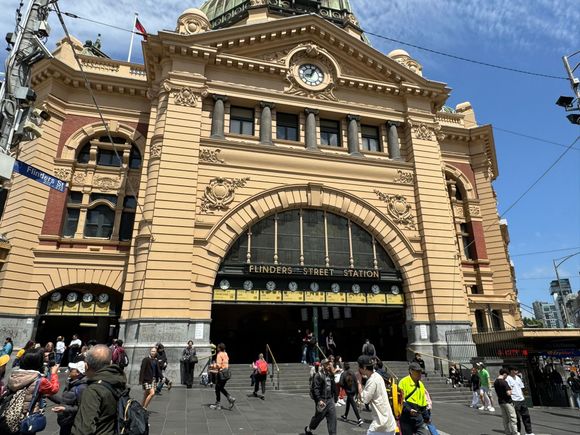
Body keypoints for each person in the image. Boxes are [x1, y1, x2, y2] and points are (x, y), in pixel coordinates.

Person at [71, 344, 127, 434]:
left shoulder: (93, 391)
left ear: (86, 366)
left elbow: (83, 429)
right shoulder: (119, 381)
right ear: (111, 363)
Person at [6, 348, 60, 432]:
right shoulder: (40, 380)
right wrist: (54, 374)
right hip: (27, 418)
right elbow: (54, 389)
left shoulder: (14, 374)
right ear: (38, 363)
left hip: (11, 414)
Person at [358, 355, 397, 435]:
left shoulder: (372, 380)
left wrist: (359, 382)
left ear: (364, 368)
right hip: (388, 422)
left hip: (381, 424)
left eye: (359, 367)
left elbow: (364, 399)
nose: (358, 369)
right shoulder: (377, 376)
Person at [50, 362, 88, 435]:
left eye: (72, 369)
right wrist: (49, 395)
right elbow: (65, 401)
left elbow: (81, 408)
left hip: (72, 424)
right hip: (65, 422)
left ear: (78, 373)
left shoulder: (82, 388)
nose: (69, 370)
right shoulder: (71, 383)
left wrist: (65, 409)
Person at [305, 358, 338, 435]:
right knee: (318, 418)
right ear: (322, 365)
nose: (328, 365)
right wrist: (319, 400)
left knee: (333, 420)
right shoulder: (318, 375)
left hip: (330, 400)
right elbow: (315, 389)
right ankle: (308, 428)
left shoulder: (330, 374)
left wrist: (335, 397)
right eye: (326, 364)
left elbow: (333, 386)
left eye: (329, 363)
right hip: (322, 400)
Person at [398, 362, 430, 435]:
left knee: (423, 433)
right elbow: (400, 400)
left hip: (418, 416)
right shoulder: (403, 382)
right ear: (411, 371)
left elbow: (423, 403)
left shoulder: (421, 385)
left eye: (420, 372)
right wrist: (409, 410)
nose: (420, 374)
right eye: (417, 371)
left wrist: (426, 417)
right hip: (406, 417)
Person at [507, 367, 534, 435]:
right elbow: (508, 390)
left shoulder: (518, 378)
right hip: (514, 400)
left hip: (521, 399)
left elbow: (521, 388)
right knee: (516, 417)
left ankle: (529, 432)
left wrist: (524, 396)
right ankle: (517, 431)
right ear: (511, 371)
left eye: (517, 370)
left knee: (526, 416)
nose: (516, 371)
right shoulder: (508, 379)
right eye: (515, 370)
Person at [210, 342, 235, 410]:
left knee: (217, 389)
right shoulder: (225, 353)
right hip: (226, 373)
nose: (217, 348)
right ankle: (230, 399)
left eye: (218, 347)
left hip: (221, 374)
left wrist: (212, 366)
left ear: (220, 348)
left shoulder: (219, 354)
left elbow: (218, 365)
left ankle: (218, 404)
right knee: (220, 388)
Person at [494, 368, 518, 435]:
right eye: (506, 375)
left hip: (501, 402)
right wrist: (511, 390)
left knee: (505, 418)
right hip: (507, 402)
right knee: (513, 417)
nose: (506, 377)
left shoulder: (496, 382)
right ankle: (515, 432)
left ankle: (507, 431)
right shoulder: (504, 382)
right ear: (504, 374)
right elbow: (508, 393)